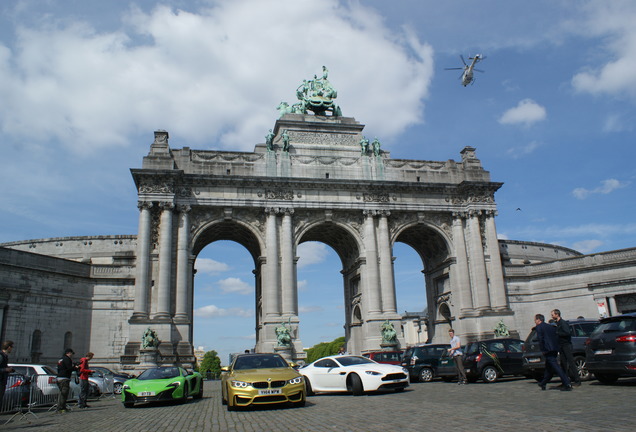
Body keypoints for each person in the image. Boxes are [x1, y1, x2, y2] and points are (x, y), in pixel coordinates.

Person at [534, 314, 572, 391]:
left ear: (539, 320)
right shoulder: (550, 326)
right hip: (554, 348)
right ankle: (543, 383)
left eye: (535, 320)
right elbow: (555, 336)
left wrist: (543, 350)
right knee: (548, 368)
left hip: (547, 349)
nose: (534, 321)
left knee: (556, 367)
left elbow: (540, 339)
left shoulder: (539, 327)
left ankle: (567, 383)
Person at [551, 309, 581, 387]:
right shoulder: (557, 323)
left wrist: (557, 333)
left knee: (571, 362)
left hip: (566, 345)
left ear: (557, 314)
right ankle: (565, 381)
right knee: (563, 363)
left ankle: (577, 380)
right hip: (560, 345)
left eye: (553, 314)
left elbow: (567, 332)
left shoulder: (563, 323)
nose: (552, 316)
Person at [56, 348, 77, 413]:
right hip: (64, 378)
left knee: (61, 393)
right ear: (68, 353)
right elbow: (69, 368)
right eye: (71, 353)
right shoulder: (67, 359)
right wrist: (75, 367)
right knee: (64, 394)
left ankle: (60, 407)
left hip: (59, 377)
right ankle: (61, 408)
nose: (72, 355)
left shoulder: (61, 359)